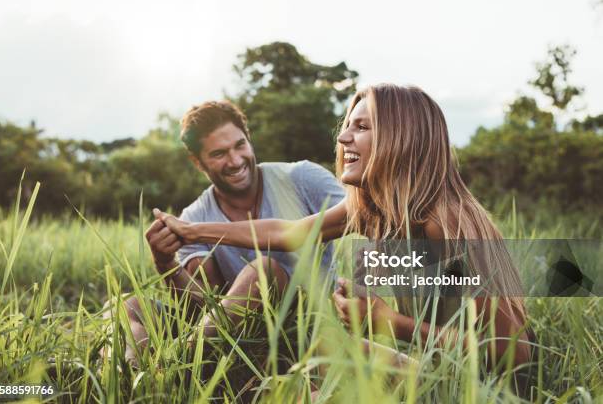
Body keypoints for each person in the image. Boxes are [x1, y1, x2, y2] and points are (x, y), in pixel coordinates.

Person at [155, 84, 532, 370]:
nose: (342, 137)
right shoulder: (372, 209)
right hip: (436, 363)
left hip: (481, 384)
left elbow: (514, 353)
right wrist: (193, 232)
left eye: (362, 127)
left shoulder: (445, 224)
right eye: (347, 126)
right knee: (313, 354)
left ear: (401, 139)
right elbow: (289, 233)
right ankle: (184, 369)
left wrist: (390, 323)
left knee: (327, 364)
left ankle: (179, 369)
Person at [105, 100, 344, 363]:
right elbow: (203, 305)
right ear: (198, 162)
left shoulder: (302, 178)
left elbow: (361, 219)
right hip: (236, 331)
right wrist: (165, 263)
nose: (235, 160)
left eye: (240, 145)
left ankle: (174, 362)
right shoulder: (194, 216)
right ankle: (132, 367)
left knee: (264, 271)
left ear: (249, 139)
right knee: (125, 305)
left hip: (307, 323)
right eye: (219, 154)